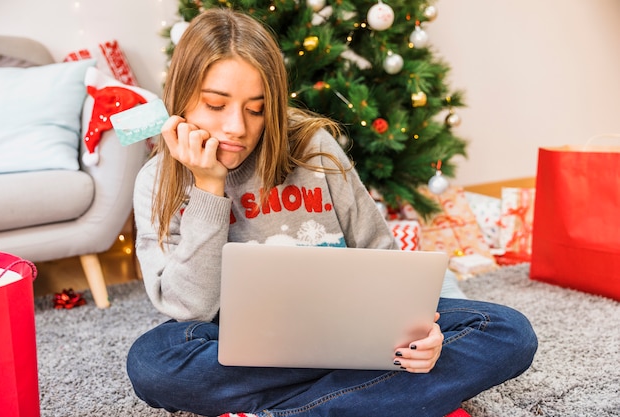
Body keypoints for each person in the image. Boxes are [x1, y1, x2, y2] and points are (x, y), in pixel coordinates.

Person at [126, 8, 537, 417]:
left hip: (354, 331)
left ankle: (289, 410)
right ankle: (371, 397)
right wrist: (209, 188)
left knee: (507, 333)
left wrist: (420, 332)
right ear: (181, 98)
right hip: (239, 346)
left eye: (257, 109)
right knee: (152, 361)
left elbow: (379, 252)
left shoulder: (313, 148)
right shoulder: (156, 182)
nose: (236, 127)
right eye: (216, 105)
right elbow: (188, 310)